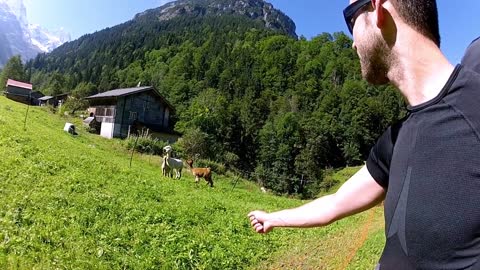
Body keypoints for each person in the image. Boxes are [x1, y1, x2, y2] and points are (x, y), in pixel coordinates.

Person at [248, 0, 480, 269]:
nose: (353, 44)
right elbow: (335, 203)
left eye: (350, 20)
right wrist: (274, 218)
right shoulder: (395, 139)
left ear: (378, 7)